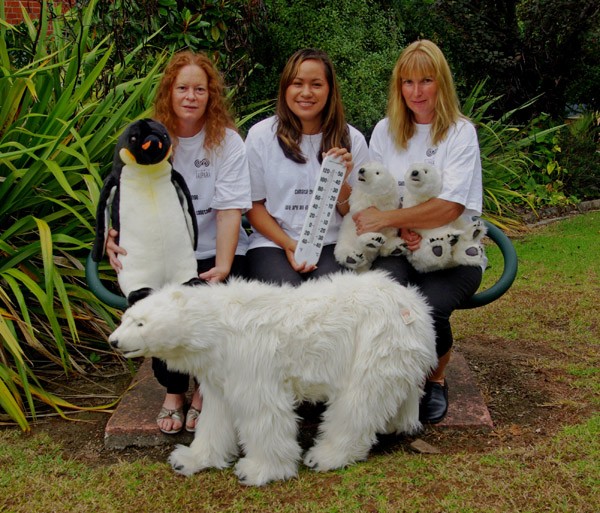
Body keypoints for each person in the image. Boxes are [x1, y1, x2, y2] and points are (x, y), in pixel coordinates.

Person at [105, 51, 251, 434]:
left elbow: (229, 209)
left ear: (211, 95)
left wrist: (221, 265)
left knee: (214, 311)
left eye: (199, 89)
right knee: (159, 309)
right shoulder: (147, 137)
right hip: (163, 253)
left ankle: (204, 389)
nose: (190, 96)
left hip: (214, 248)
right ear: (169, 92)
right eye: (182, 88)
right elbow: (121, 194)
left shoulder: (228, 142)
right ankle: (173, 391)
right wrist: (109, 235)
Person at [353, 39, 484, 424]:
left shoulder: (459, 133)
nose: (416, 92)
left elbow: (450, 206)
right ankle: (391, 382)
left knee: (431, 308)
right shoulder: (385, 131)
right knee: (386, 298)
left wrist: (396, 221)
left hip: (452, 247)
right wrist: (402, 226)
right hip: (399, 244)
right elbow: (376, 194)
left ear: (441, 83)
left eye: (426, 81)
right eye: (408, 82)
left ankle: (436, 378)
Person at [244, 48, 369, 284]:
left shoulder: (352, 139)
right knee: (286, 297)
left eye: (316, 84)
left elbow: (354, 213)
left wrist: (340, 181)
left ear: (330, 90)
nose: (306, 93)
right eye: (297, 83)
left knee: (329, 302)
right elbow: (253, 205)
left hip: (332, 243)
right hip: (273, 244)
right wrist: (289, 244)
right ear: (285, 88)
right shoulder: (261, 136)